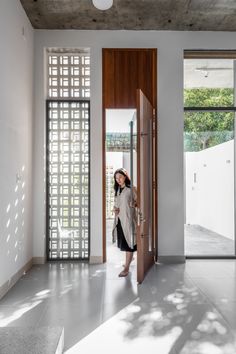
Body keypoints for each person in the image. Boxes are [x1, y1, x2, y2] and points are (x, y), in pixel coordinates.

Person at [112, 168, 137, 277]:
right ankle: (129, 260)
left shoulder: (131, 189)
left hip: (128, 220)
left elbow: (138, 201)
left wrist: (135, 204)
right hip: (119, 220)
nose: (118, 180)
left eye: (120, 177)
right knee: (125, 243)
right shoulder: (117, 190)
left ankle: (126, 268)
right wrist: (115, 209)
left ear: (125, 177)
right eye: (116, 178)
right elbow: (117, 204)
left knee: (129, 244)